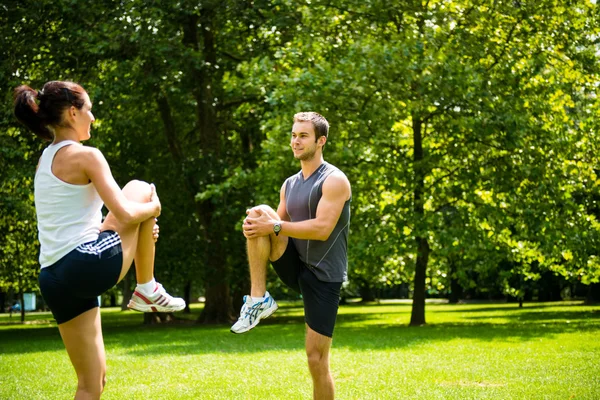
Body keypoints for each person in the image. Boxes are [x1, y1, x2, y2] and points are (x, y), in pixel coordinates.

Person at [13, 80, 186, 399]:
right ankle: (146, 287)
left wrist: (143, 229)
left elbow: (119, 220)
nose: (93, 117)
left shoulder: (45, 160)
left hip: (52, 277)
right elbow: (125, 211)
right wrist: (154, 209)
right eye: (89, 110)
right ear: (73, 112)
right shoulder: (86, 156)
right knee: (140, 187)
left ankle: (147, 285)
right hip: (84, 263)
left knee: (92, 383)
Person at [231, 112, 351, 400]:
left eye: (303, 136)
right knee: (259, 212)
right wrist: (257, 225)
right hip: (294, 264)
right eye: (294, 135)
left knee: (316, 360)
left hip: (324, 277)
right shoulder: (289, 184)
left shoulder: (335, 180)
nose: (296, 141)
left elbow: (322, 229)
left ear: (321, 141)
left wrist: (272, 224)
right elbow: (273, 228)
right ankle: (258, 300)